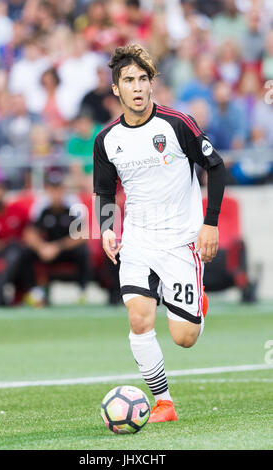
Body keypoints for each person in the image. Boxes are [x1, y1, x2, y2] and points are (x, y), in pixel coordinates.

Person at [93, 44, 225, 423]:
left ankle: (194, 302)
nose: (137, 87)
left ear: (152, 84)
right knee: (139, 319)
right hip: (137, 241)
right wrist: (105, 229)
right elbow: (104, 190)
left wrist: (210, 223)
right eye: (128, 80)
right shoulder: (106, 140)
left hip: (180, 240)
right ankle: (163, 402)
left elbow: (215, 168)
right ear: (116, 89)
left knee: (184, 338)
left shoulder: (177, 124)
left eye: (143, 79)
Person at [23, 169, 90, 304]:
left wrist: (58, 246)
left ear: (63, 189)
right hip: (46, 249)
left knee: (83, 251)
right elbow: (29, 233)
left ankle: (82, 290)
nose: (56, 193)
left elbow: (84, 234)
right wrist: (42, 247)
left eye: (58, 188)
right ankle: (34, 292)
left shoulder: (74, 204)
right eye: (52, 189)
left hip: (66, 248)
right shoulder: (41, 206)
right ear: (48, 190)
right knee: (25, 252)